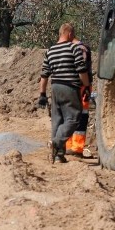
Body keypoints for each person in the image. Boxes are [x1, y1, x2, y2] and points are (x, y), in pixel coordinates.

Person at [38, 23, 91, 163]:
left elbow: (44, 75)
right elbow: (81, 70)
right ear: (69, 34)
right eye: (73, 34)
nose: (73, 37)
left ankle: (58, 155)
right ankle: (55, 142)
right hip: (70, 87)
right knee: (74, 117)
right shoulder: (73, 48)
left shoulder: (50, 50)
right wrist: (86, 86)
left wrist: (42, 94)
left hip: (55, 87)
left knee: (57, 119)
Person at [65, 35, 94, 157]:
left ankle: (74, 147)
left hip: (79, 86)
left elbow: (81, 70)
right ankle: (73, 147)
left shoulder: (80, 49)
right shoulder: (81, 48)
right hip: (81, 85)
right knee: (79, 115)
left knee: (76, 115)